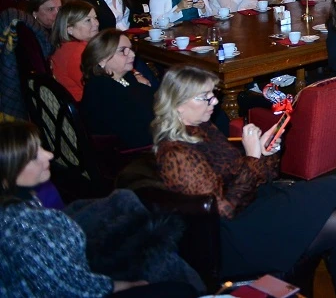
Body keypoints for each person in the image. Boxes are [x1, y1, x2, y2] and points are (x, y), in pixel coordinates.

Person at [152, 66, 336, 296]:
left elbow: (255, 178)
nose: (214, 102)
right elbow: (225, 211)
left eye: (213, 94)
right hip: (234, 239)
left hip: (253, 208)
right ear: (178, 103)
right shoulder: (175, 153)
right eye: (205, 97)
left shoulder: (202, 128)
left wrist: (266, 153)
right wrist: (253, 158)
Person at [0, 120, 195, 297]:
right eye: (34, 156)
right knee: (180, 289)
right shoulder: (31, 228)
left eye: (41, 147)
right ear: (7, 175)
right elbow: (73, 290)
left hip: (76, 264)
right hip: (84, 286)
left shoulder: (19, 205)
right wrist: (125, 285)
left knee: (126, 203)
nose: (49, 155)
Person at [79, 30, 156, 150]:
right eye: (122, 51)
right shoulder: (103, 90)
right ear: (102, 59)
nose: (132, 54)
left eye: (131, 49)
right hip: (132, 155)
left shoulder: (123, 77)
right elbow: (137, 135)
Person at [0, 0, 63, 119]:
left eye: (60, 9)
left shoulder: (46, 32)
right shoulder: (36, 38)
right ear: (35, 14)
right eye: (51, 9)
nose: (57, 14)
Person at [50, 1, 101, 101]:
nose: (96, 23)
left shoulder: (66, 46)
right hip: (86, 104)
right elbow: (97, 88)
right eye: (88, 20)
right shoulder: (78, 53)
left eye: (95, 18)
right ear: (70, 29)